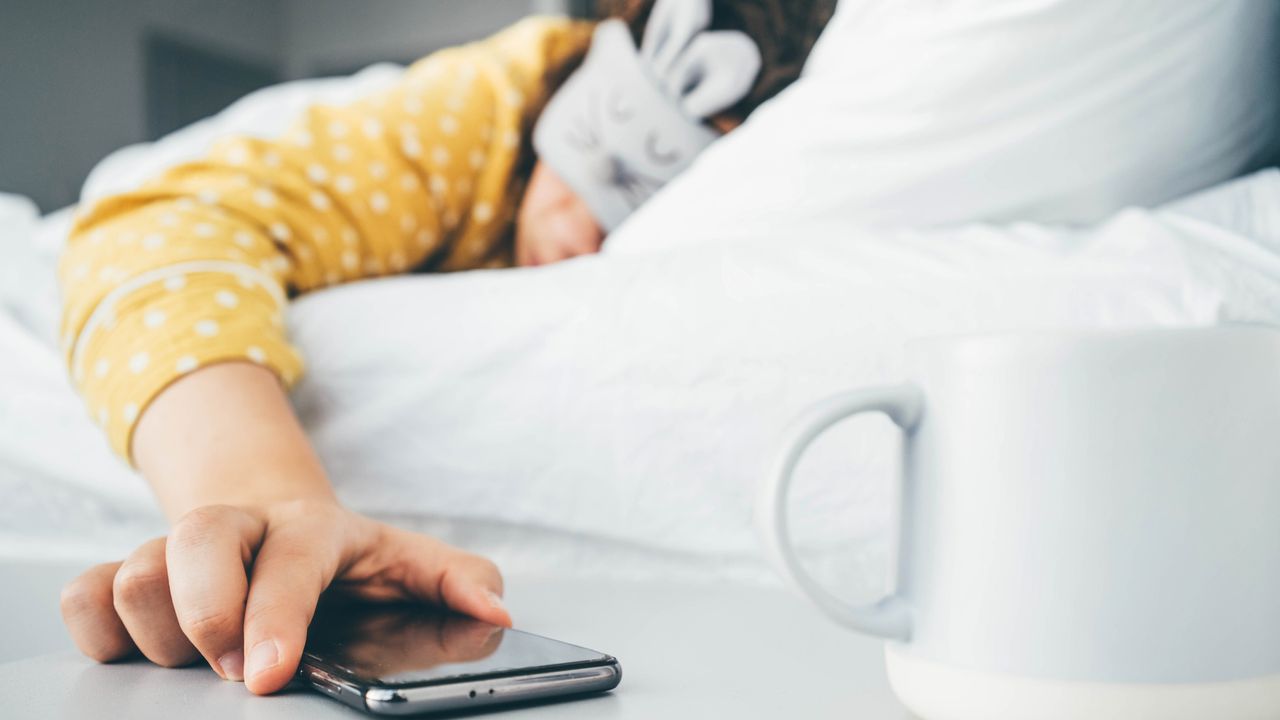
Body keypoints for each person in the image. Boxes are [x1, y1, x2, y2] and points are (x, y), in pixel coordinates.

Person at [55, 0, 835, 696]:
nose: (579, 245)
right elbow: (159, 221)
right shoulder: (499, 104)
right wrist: (262, 495)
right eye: (603, 167)